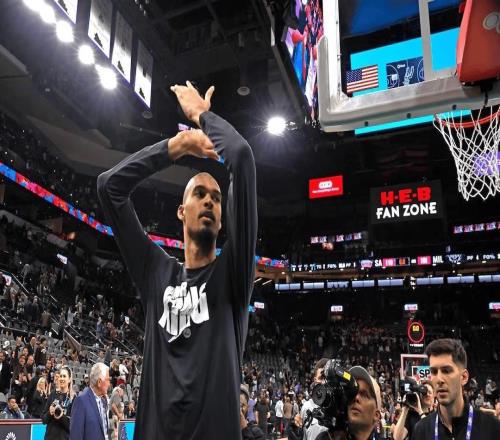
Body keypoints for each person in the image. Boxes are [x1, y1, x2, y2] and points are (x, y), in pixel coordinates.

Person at [97, 81, 257, 439]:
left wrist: (202, 115)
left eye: (216, 197)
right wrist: (178, 146)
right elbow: (109, 188)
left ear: (223, 218)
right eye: (199, 193)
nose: (210, 200)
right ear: (181, 211)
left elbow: (241, 157)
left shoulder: (233, 273)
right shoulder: (157, 271)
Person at [412, 338, 500, 439]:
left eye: (446, 371)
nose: (439, 379)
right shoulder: (421, 430)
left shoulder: (492, 428)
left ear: (464, 377)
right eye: (434, 372)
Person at [69, 362, 111, 440]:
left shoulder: (104, 401)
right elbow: (76, 436)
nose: (109, 384)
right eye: (108, 380)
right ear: (99, 382)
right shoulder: (81, 401)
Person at [42, 366, 75, 440]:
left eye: (64, 376)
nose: (62, 378)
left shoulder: (73, 398)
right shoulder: (53, 394)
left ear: (69, 379)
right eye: (60, 376)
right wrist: (49, 413)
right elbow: (44, 420)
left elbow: (73, 426)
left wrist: (61, 416)